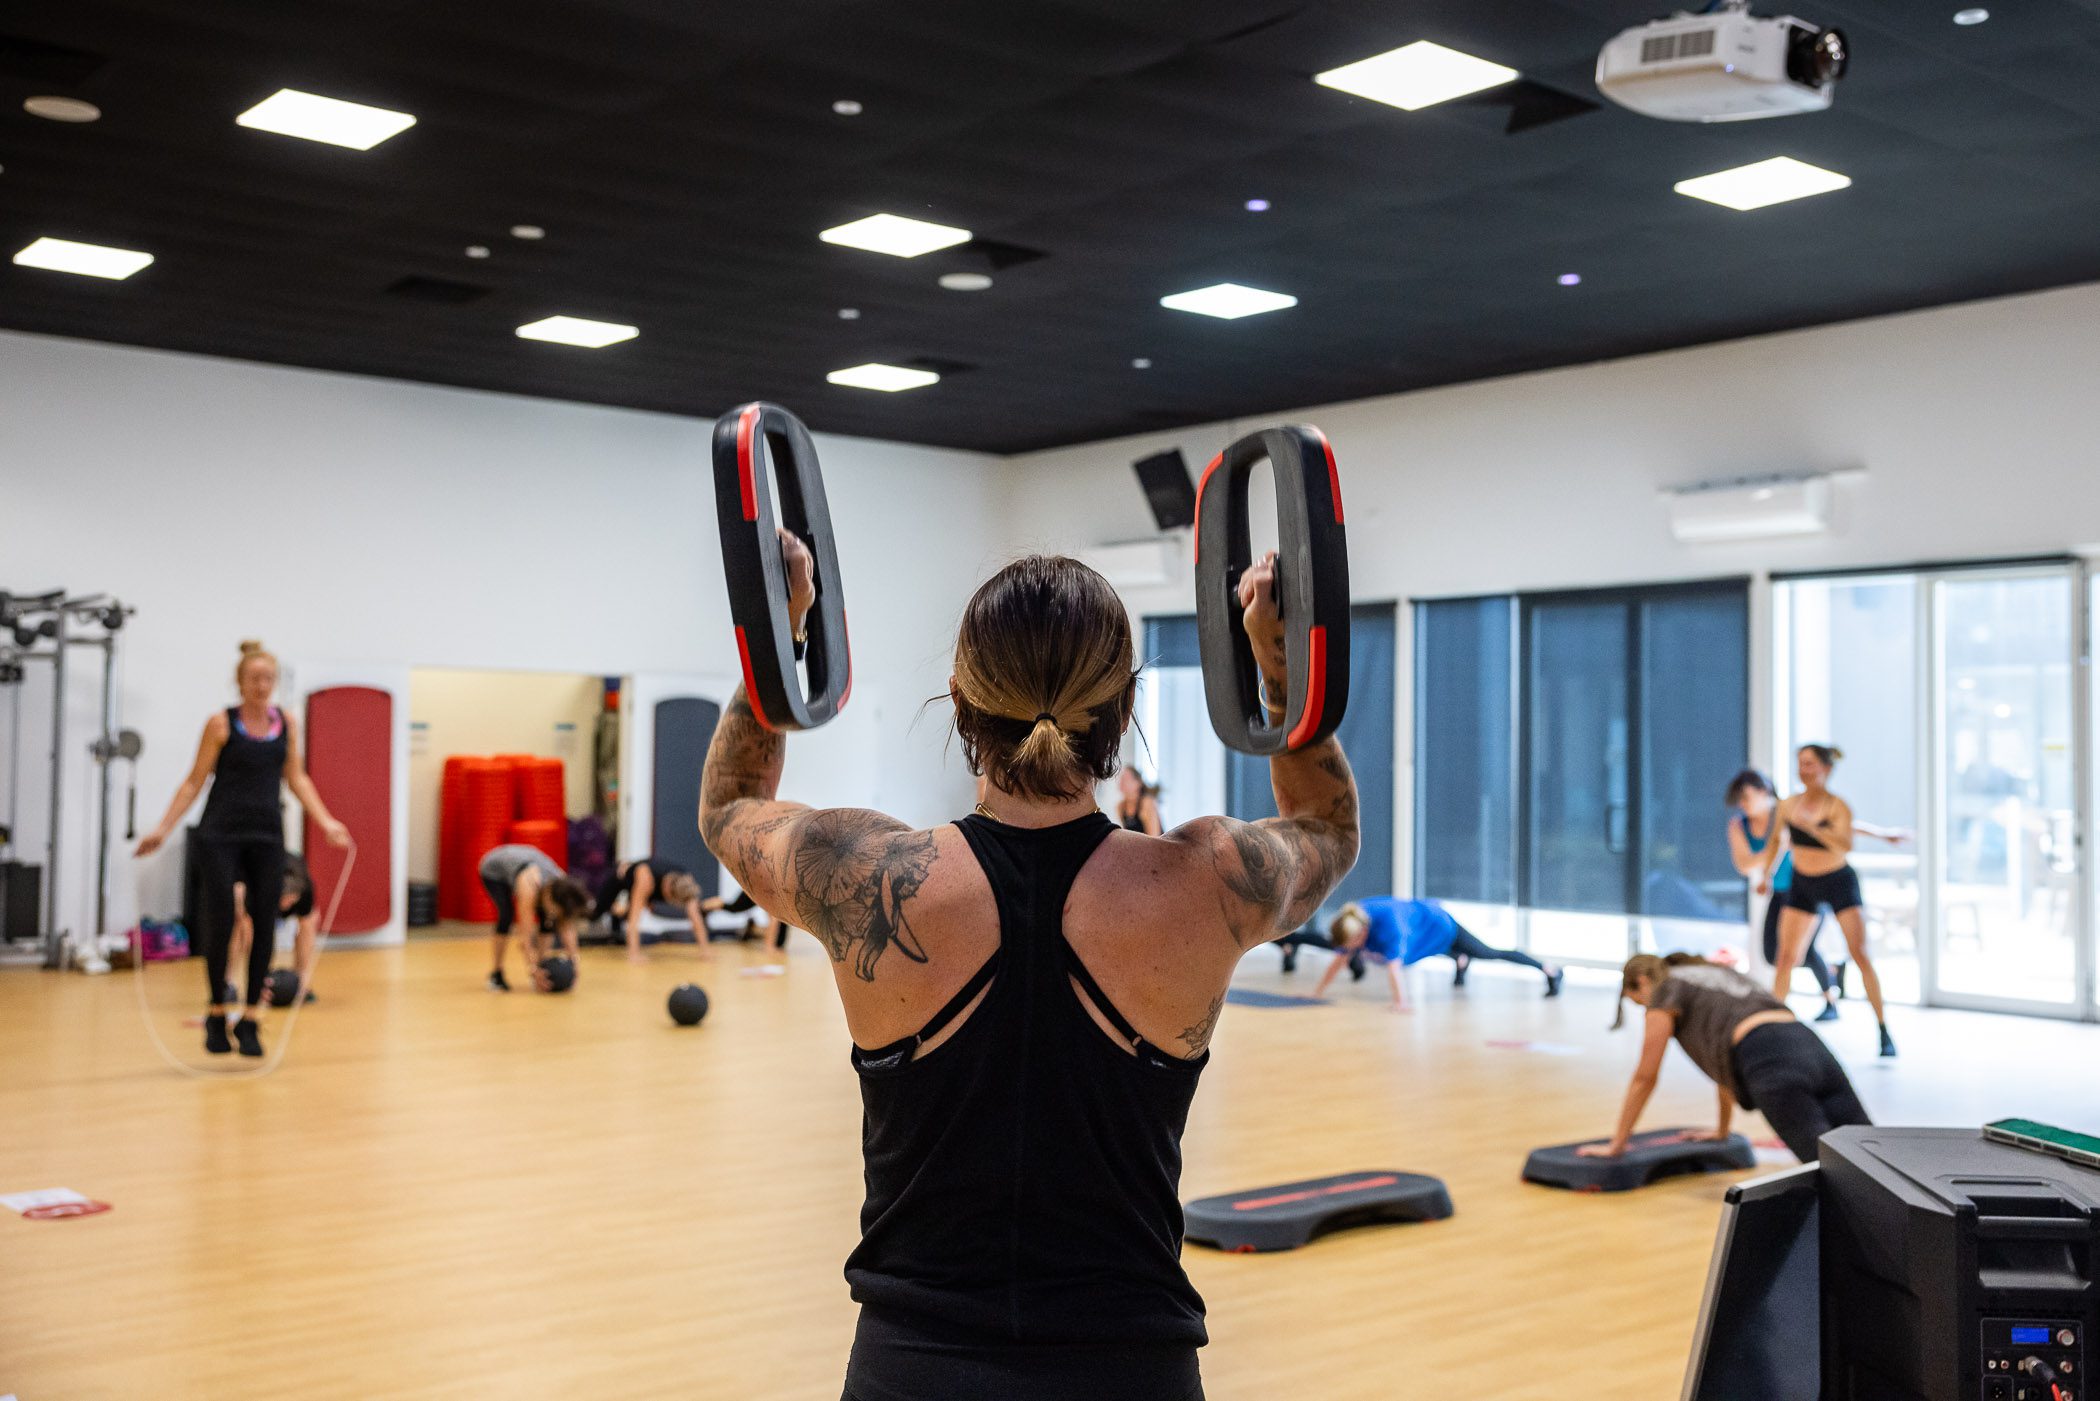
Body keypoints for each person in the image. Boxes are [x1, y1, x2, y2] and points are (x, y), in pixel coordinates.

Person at [699, 537, 1358, 1401]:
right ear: (1123, 710)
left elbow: (728, 805)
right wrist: (1275, 653)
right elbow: (1327, 826)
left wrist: (778, 635)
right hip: (1132, 1370)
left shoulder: (861, 870)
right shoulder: (1208, 882)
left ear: (962, 703)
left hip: (914, 1371)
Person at [135, 641, 348, 1057]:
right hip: (220, 835)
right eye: (255, 679)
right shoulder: (220, 725)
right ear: (240, 682)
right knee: (221, 921)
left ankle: (251, 1018)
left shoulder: (285, 724)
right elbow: (194, 781)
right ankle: (217, 1013)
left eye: (268, 678)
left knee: (265, 924)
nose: (262, 685)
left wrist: (326, 821)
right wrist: (163, 828)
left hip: (267, 835)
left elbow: (297, 778)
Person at [1583, 952, 1871, 1164]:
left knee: (1829, 1170)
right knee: (1874, 1153)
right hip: (1808, 1042)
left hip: (1765, 1056)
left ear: (1643, 982)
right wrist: (1722, 1131)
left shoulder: (1664, 990)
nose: (1645, 1008)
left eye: (1638, 1001)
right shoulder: (1713, 974)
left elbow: (1645, 1076)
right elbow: (1723, 1066)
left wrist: (1618, 1144)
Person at [1759, 745, 1898, 1057]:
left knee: (1860, 954)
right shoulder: (1788, 805)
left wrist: (1811, 827)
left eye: (1810, 764)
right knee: (1785, 957)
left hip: (1837, 881)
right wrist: (1767, 875)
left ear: (1825, 769)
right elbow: (1776, 842)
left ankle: (1883, 1028)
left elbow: (1845, 843)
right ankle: (1773, 1029)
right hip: (1802, 881)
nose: (1804, 770)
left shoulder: (1837, 807)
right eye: (1800, 764)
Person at [1726, 769, 1839, 1022]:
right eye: (1739, 801)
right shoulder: (1740, 825)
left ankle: (1827, 1000)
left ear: (1764, 792)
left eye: (1747, 798)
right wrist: (1774, 850)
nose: (1743, 805)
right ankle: (1827, 979)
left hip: (1809, 889)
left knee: (1801, 950)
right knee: (1772, 952)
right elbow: (1744, 864)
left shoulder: (1788, 813)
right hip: (1779, 891)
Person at [1314, 897, 1562, 1010]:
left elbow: (1394, 969)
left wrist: (1401, 1003)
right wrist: (1315, 994)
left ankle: (1548, 968)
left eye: (1353, 943)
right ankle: (1460, 961)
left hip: (1441, 926)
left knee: (1488, 952)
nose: (1350, 949)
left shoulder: (1391, 928)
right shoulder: (1353, 918)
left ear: (1362, 932)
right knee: (1447, 952)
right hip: (1421, 930)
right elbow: (1340, 957)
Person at [478, 843, 591, 992]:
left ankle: (542, 966)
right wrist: (533, 970)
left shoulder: (562, 884)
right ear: (550, 897)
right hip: (493, 869)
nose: (556, 914)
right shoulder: (528, 886)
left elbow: (566, 927)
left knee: (548, 920)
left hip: (529, 862)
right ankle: (496, 974)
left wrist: (575, 964)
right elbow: (524, 939)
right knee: (506, 915)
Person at [229, 851, 320, 1005]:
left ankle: (302, 982)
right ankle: (228, 982)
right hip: (255, 894)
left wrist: (302, 980)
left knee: (308, 923)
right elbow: (249, 930)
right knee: (238, 925)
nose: (285, 906)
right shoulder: (258, 886)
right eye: (283, 901)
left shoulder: (305, 891)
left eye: (290, 902)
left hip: (285, 885)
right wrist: (260, 977)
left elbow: (307, 926)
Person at [594, 856, 710, 962]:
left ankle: (617, 926)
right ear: (667, 890)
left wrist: (705, 950)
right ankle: (601, 908)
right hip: (622, 877)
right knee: (598, 912)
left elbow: (696, 919)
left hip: (646, 881)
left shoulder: (686, 882)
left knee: (625, 913)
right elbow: (634, 919)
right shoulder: (645, 879)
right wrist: (634, 954)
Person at [1113, 766, 1162, 835]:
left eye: (1126, 779)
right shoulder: (1120, 806)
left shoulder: (1147, 802)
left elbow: (1155, 838)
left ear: (1138, 783)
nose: (1121, 782)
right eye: (1121, 778)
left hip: (1156, 844)